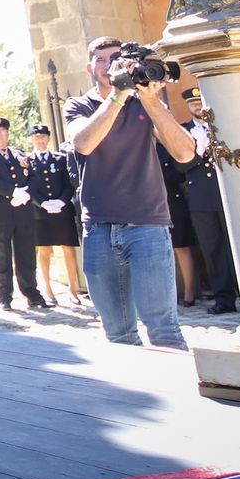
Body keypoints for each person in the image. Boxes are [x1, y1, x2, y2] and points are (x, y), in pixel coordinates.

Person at [65, 37, 193, 349]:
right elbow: (83, 143)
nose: (109, 65)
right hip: (99, 227)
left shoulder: (144, 102)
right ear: (90, 67)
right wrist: (118, 97)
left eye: (116, 58)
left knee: (164, 330)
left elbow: (185, 153)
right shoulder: (79, 105)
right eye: (101, 59)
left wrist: (150, 101)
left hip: (147, 225)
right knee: (119, 335)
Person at [0, 117, 49, 310]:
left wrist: (25, 193)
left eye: (3, 131)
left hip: (22, 209)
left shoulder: (19, 154)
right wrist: (13, 191)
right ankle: (4, 295)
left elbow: (34, 177)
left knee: (26, 255)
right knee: (1, 255)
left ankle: (32, 293)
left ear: (8, 133)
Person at [178, 88, 238, 314]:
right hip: (202, 197)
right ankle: (224, 298)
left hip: (228, 193)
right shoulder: (183, 131)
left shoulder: (223, 126)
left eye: (200, 102)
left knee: (238, 245)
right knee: (212, 248)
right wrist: (197, 152)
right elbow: (179, 166)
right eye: (193, 103)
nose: (197, 106)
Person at [27, 124, 82, 307]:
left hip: (62, 210)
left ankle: (73, 290)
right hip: (40, 212)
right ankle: (48, 289)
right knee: (44, 250)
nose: (40, 140)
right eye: (36, 137)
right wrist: (42, 203)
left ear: (49, 138)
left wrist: (62, 201)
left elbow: (69, 184)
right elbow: (29, 186)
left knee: (68, 248)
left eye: (43, 136)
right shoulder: (27, 161)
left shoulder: (60, 159)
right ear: (32, 139)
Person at [158, 141, 198, 307]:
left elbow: (180, 174)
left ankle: (189, 292)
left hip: (172, 200)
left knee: (181, 246)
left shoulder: (164, 145)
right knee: (156, 250)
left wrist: (161, 171)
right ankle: (166, 294)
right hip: (149, 204)